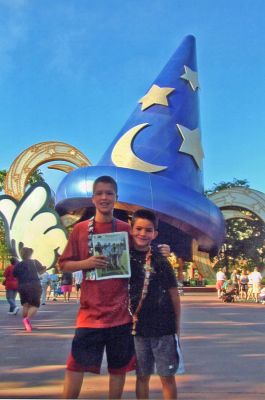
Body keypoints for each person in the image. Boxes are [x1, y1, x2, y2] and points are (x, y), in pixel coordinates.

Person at [59, 175, 170, 399]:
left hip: (121, 315)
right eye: (99, 193)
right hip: (89, 315)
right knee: (75, 366)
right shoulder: (80, 230)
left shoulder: (124, 229)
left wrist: (160, 250)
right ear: (92, 198)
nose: (104, 197)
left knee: (117, 369)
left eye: (109, 193)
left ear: (116, 198)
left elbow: (142, 247)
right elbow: (64, 265)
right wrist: (86, 264)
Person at [129, 209, 181, 400]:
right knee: (142, 377)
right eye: (139, 228)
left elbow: (174, 294)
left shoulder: (161, 260)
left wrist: (177, 326)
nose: (143, 234)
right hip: (137, 329)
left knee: (167, 377)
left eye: (148, 230)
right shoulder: (124, 259)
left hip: (163, 329)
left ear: (155, 234)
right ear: (131, 229)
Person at [13, 247, 43, 332]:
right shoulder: (34, 262)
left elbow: (15, 274)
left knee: (25, 305)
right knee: (35, 305)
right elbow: (41, 271)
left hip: (22, 286)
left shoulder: (18, 264)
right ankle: (27, 319)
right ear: (30, 254)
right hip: (34, 285)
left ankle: (26, 324)